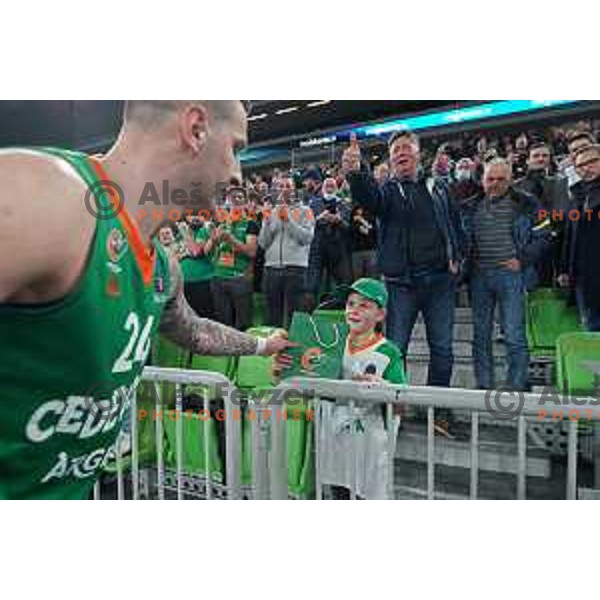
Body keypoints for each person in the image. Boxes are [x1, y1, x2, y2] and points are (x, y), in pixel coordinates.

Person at [0, 100, 291, 499]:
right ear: (196, 128)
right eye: (236, 148)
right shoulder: (48, 196)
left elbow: (193, 331)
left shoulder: (161, 268)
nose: (237, 172)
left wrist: (261, 345)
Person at [342, 131, 461, 392]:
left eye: (406, 147)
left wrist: (458, 260)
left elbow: (456, 225)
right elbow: (369, 199)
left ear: (418, 154)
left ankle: (438, 408)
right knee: (395, 348)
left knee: (442, 348)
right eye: (395, 150)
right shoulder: (386, 192)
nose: (400, 153)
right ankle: (397, 404)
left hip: (440, 282)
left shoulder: (438, 188)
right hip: (400, 285)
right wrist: (356, 173)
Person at [275, 278, 406, 499]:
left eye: (364, 305)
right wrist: (281, 371)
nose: (354, 310)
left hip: (368, 447)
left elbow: (401, 404)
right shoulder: (330, 344)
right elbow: (300, 384)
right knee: (339, 494)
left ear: (380, 315)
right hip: (334, 444)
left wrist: (386, 389)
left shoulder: (389, 352)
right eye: (350, 304)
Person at [462, 158, 552, 391]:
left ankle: (517, 385)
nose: (495, 184)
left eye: (501, 179)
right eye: (490, 179)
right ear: (482, 180)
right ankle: (483, 385)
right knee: (480, 335)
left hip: (511, 276)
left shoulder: (528, 203)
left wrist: (522, 260)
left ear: (511, 180)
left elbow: (544, 236)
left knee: (514, 333)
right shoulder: (470, 206)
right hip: (479, 277)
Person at [258, 176, 315, 328]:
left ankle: (292, 349)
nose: (284, 189)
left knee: (294, 316)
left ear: (294, 190)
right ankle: (273, 349)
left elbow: (307, 238)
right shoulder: (270, 211)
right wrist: (267, 221)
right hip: (271, 268)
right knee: (272, 316)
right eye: (280, 186)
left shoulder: (306, 211)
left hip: (295, 269)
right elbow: (263, 243)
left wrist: (288, 220)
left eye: (288, 186)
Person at [514, 142, 569, 286]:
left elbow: (565, 213)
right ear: (528, 160)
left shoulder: (561, 182)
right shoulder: (516, 187)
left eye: (545, 155)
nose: (541, 159)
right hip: (527, 248)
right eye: (536, 156)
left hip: (557, 247)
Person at [559, 145, 600, 331]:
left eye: (592, 161)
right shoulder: (576, 195)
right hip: (584, 278)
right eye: (581, 165)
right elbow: (570, 235)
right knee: (592, 333)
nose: (586, 167)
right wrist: (565, 269)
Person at [207, 185, 259, 330]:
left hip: (239, 279)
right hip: (218, 277)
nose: (235, 200)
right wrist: (213, 240)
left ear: (246, 202)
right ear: (227, 201)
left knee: (243, 325)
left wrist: (230, 239)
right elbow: (208, 251)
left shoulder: (251, 224)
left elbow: (251, 252)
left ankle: (244, 352)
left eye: (239, 197)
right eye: (232, 197)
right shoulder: (222, 223)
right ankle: (227, 353)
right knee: (223, 325)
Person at [177, 216, 216, 320]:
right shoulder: (180, 231)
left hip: (202, 281)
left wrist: (185, 233)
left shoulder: (206, 229)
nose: (194, 217)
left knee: (204, 318)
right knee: (187, 319)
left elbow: (196, 252)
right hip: (183, 281)